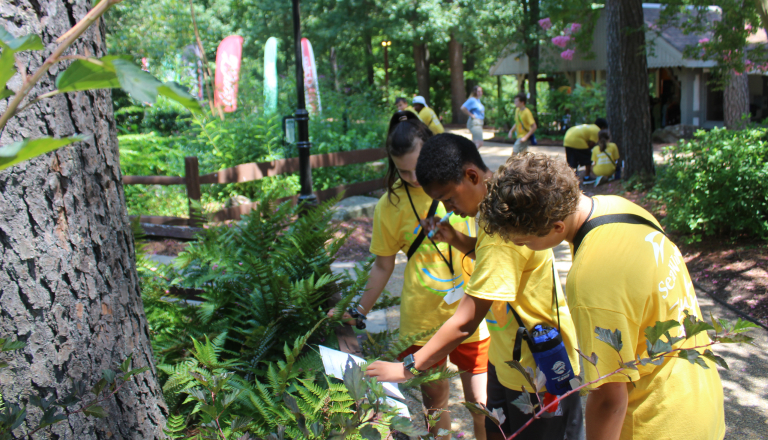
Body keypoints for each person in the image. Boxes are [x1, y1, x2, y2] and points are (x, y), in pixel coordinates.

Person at [479, 153, 726, 440]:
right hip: (702, 400)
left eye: (525, 242)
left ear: (557, 227)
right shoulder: (623, 209)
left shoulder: (591, 280)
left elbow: (610, 398)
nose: (524, 247)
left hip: (658, 424)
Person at [366, 134, 584, 440]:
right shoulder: (497, 206)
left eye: (449, 199)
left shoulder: (501, 231)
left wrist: (408, 368)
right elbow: (495, 258)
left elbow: (466, 320)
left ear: (472, 176)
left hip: (538, 370)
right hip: (506, 358)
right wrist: (457, 239)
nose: (450, 210)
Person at [329, 113, 488, 440]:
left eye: (418, 167)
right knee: (435, 400)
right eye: (403, 170)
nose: (414, 178)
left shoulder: (460, 183)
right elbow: (383, 266)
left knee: (481, 404)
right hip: (422, 315)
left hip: (472, 309)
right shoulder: (390, 205)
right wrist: (359, 310)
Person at [563, 118, 608, 182]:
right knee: (588, 158)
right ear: (603, 127)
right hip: (577, 140)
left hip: (567, 139)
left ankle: (570, 178)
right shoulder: (597, 130)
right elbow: (591, 144)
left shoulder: (590, 126)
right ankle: (587, 177)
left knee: (572, 160)